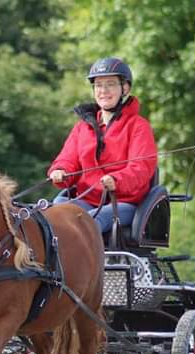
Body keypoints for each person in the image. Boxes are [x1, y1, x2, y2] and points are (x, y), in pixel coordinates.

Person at [48, 57, 157, 233]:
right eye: (98, 85)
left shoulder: (139, 126)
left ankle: (80, 260)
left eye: (110, 84)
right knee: (56, 213)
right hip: (87, 199)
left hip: (123, 203)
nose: (103, 91)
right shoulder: (83, 127)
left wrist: (116, 180)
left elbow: (141, 168)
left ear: (125, 88)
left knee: (91, 221)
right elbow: (67, 159)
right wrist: (61, 171)